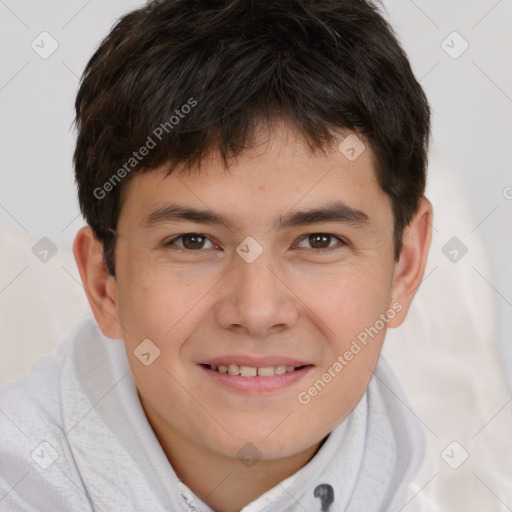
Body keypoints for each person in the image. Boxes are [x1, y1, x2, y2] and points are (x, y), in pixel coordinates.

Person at [0, 0, 433, 510]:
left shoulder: (402, 475)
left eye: (319, 240)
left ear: (404, 265)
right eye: (192, 242)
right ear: (104, 282)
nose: (256, 312)